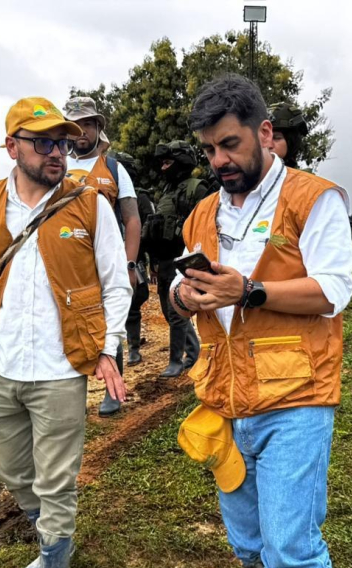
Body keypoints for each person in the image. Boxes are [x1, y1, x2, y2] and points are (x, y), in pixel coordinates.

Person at [170, 74, 352, 568]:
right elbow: (186, 289)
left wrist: (247, 289)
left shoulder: (313, 199)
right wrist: (182, 294)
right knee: (248, 540)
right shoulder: (205, 212)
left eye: (229, 145)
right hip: (224, 401)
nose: (219, 161)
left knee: (290, 544)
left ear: (265, 134)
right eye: (210, 151)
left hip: (295, 400)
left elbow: (334, 290)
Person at [0, 96, 131, 568]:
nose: (59, 151)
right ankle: (49, 543)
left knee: (56, 485)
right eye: (45, 142)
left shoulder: (89, 203)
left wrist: (108, 346)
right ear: (12, 147)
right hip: (1, 361)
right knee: (12, 471)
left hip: (60, 369)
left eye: (64, 141)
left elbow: (115, 280)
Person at [63, 97, 142, 415]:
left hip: (106, 260)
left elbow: (132, 219)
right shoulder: (58, 166)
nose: (81, 132)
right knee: (67, 323)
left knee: (110, 321)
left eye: (88, 124)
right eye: (75, 125)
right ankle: (69, 393)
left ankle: (113, 389)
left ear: (98, 128)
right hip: (67, 261)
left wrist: (130, 264)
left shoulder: (114, 169)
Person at [142, 140, 209, 377]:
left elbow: (207, 227)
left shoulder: (197, 189)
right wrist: (154, 263)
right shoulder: (166, 192)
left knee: (176, 310)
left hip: (184, 260)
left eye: (168, 162)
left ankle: (176, 361)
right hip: (164, 261)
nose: (163, 167)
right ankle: (193, 351)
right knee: (168, 310)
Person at [109, 151, 155, 365]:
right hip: (111, 254)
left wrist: (141, 260)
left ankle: (134, 348)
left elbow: (148, 229)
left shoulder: (140, 197)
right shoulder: (109, 194)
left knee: (132, 305)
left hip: (134, 257)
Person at [268, 102, 309, 169]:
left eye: (276, 138)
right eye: (264, 138)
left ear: (291, 143)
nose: (268, 145)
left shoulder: (304, 179)